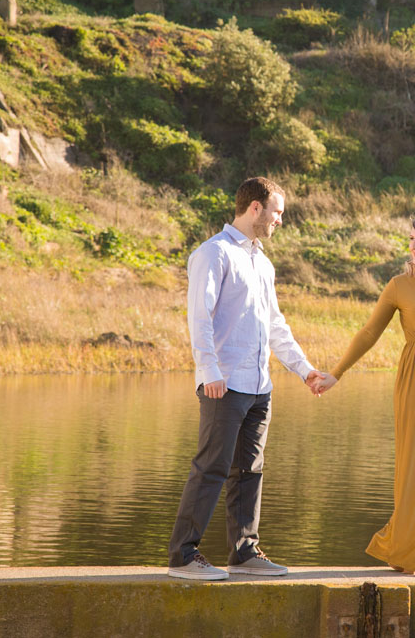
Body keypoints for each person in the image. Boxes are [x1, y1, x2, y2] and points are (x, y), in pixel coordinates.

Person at [168, 176, 327, 581]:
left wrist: (304, 369)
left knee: (250, 470)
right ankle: (184, 557)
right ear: (255, 208)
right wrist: (209, 372)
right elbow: (199, 317)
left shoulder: (263, 262)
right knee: (212, 468)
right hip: (224, 382)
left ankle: (243, 552)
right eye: (277, 212)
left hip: (259, 386)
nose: (279, 221)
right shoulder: (213, 253)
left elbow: (275, 325)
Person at [313, 213, 415, 576]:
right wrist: (336, 373)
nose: (413, 245)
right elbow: (370, 332)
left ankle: (406, 544)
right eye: (411, 240)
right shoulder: (400, 285)